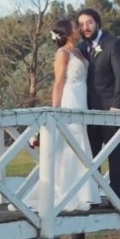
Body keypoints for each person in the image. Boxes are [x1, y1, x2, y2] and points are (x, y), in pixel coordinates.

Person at [22, 19, 100, 211]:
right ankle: (63, 192)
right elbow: (58, 83)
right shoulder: (62, 53)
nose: (79, 29)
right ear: (66, 33)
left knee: (80, 141)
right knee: (72, 141)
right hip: (70, 99)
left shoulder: (80, 51)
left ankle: (82, 192)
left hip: (82, 99)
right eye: (75, 27)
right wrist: (55, 109)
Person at [77, 7, 120, 201]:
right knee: (92, 154)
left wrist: (116, 106)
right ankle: (94, 194)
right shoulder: (81, 48)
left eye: (89, 22)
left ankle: (115, 195)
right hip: (88, 110)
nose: (86, 27)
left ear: (97, 23)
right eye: (82, 24)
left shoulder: (114, 44)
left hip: (111, 109)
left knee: (114, 153)